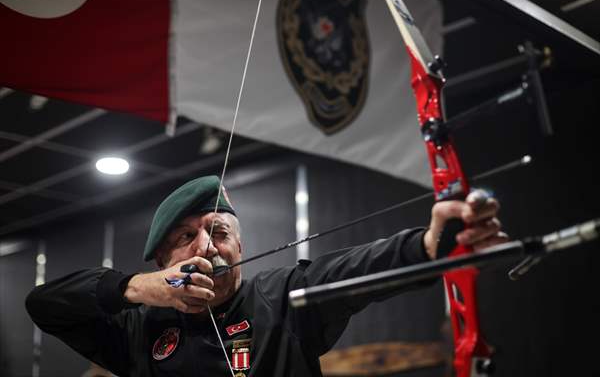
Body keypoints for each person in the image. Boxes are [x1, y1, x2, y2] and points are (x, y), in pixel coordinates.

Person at [26, 175, 507, 377]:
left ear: (241, 246)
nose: (207, 246)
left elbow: (360, 268)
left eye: (218, 231)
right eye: (185, 236)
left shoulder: (283, 297)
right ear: (160, 261)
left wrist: (429, 246)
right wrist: (133, 290)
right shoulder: (136, 328)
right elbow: (43, 304)